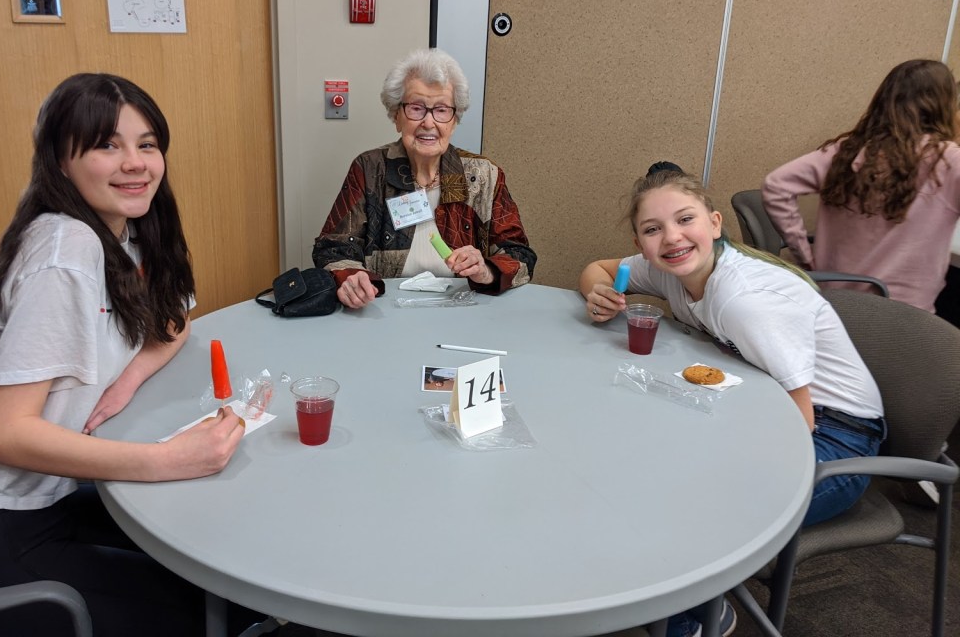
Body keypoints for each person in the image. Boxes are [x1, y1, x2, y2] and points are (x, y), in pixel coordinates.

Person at [0, 73, 247, 636]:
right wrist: (167, 460)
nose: (135, 163)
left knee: (223, 571)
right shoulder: (67, 250)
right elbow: (5, 434)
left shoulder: (128, 229)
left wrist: (126, 380)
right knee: (207, 610)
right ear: (60, 161)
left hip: (49, 496)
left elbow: (175, 321)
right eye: (107, 145)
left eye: (147, 144)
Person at [579, 165, 884, 637]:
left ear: (715, 223)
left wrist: (715, 473)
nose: (672, 237)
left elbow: (799, 425)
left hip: (837, 440)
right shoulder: (671, 270)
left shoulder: (744, 301)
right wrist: (598, 292)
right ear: (641, 243)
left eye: (685, 219)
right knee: (647, 468)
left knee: (689, 513)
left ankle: (693, 621)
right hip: (770, 409)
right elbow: (598, 269)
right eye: (653, 229)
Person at [313, 47, 536, 308]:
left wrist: (486, 270)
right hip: (385, 309)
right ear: (396, 116)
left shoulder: (483, 176)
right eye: (416, 108)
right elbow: (332, 248)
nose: (429, 123)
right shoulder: (370, 169)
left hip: (462, 308)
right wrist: (351, 277)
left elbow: (520, 255)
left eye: (441, 110)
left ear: (454, 121)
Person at [762, 58, 960, 313]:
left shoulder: (847, 150)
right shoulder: (947, 160)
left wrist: (805, 256)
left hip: (834, 306)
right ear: (942, 106)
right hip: (904, 317)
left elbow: (775, 185)